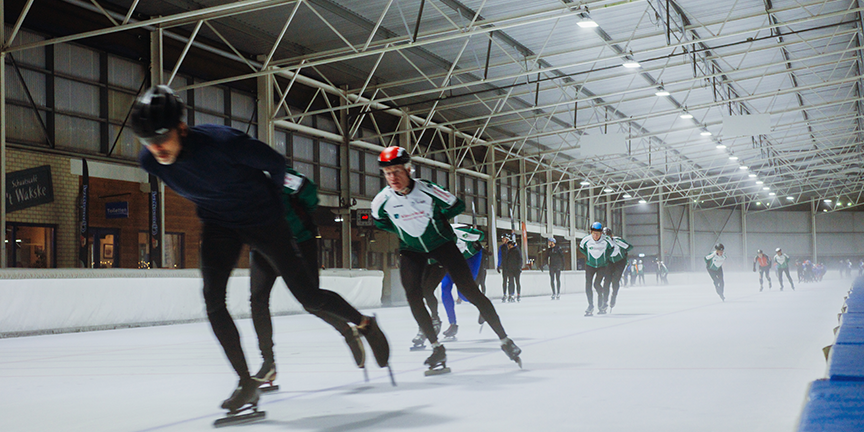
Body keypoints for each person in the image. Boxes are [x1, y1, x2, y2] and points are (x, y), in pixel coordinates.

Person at [131, 86, 391, 412]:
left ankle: (365, 324)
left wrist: (279, 207)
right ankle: (247, 383)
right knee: (213, 301)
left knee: (309, 297)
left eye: (161, 137)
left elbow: (276, 164)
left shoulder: (223, 143)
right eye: (147, 140)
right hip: (219, 223)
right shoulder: (150, 162)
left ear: (181, 128)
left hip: (263, 220)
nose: (156, 148)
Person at [370, 146, 522, 372]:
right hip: (412, 249)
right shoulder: (382, 200)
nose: (393, 177)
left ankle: (505, 340)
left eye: (397, 171)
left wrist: (438, 223)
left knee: (469, 290)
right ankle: (436, 347)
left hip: (442, 245)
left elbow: (456, 205)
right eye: (388, 173)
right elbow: (380, 221)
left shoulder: (427, 189)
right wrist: (404, 232)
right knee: (413, 295)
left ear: (408, 170)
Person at [249, 165, 365, 389]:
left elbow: (309, 193)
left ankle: (349, 330)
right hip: (263, 246)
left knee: (311, 301)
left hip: (298, 242)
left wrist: (299, 216)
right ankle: (268, 363)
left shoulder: (275, 174)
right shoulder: (234, 185)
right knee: (257, 299)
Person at [439, 223, 486, 338]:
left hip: (471, 257)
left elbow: (482, 236)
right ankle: (452, 324)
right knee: (445, 287)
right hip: (452, 259)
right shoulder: (434, 238)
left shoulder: (461, 232)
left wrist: (473, 234)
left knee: (463, 294)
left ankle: (483, 306)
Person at [579, 222, 614, 316]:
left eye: (597, 234)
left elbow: (612, 248)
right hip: (590, 265)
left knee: (597, 284)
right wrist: (588, 256)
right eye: (594, 233)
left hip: (602, 266)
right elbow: (581, 248)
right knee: (588, 284)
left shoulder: (606, 240)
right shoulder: (586, 240)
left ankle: (601, 303)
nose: (595, 236)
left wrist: (605, 257)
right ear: (591, 232)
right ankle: (590, 305)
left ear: (601, 233)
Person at [602, 227, 632, 309]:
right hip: (609, 262)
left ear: (611, 235)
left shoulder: (617, 241)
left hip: (620, 262)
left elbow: (629, 247)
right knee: (606, 281)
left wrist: (624, 247)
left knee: (615, 280)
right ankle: (604, 301)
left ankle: (613, 296)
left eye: (608, 236)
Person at [503, 235, 523, 302]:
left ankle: (518, 294)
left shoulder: (517, 250)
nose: (508, 246)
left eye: (509, 245)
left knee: (517, 282)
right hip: (510, 270)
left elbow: (520, 259)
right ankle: (511, 294)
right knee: (511, 282)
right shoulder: (509, 251)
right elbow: (507, 260)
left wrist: (519, 267)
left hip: (516, 270)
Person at [497, 235, 510, 302]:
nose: (502, 240)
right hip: (505, 266)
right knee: (504, 280)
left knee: (510, 280)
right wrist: (498, 265)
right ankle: (504, 294)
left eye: (504, 239)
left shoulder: (511, 246)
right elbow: (500, 256)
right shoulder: (501, 247)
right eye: (502, 239)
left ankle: (511, 293)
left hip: (510, 266)